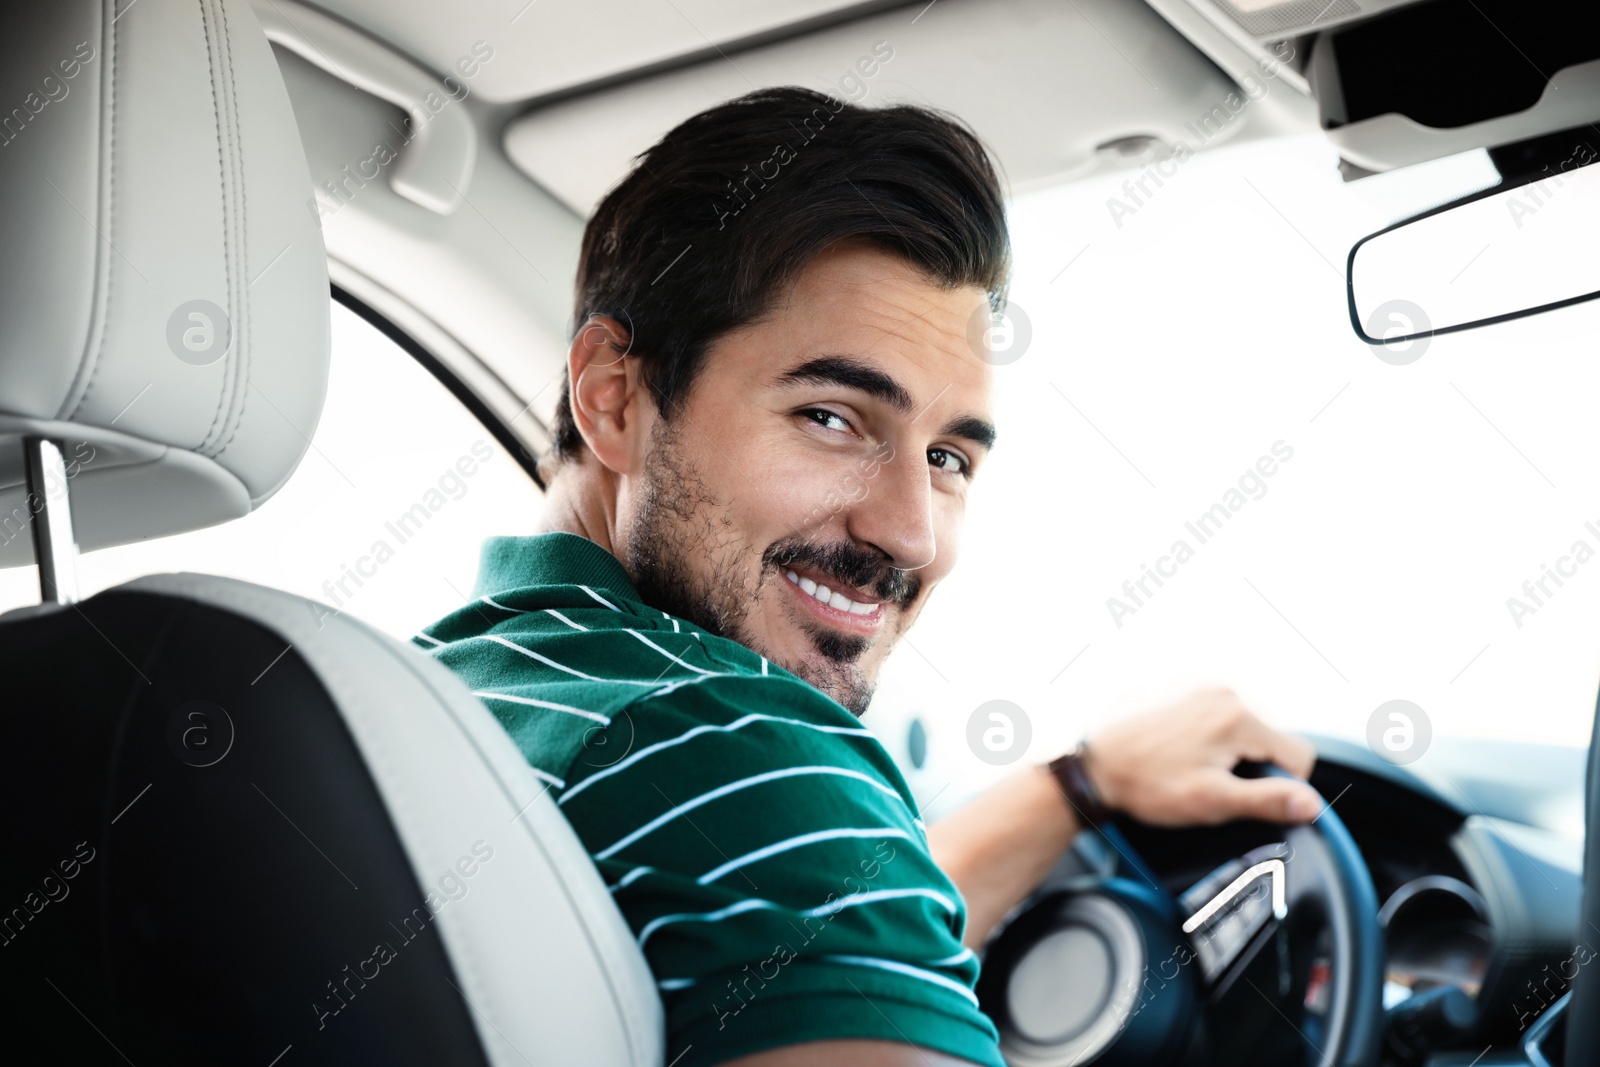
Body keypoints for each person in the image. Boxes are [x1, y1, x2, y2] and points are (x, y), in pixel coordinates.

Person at [416, 85, 1320, 1067]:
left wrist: (1078, 785)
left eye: (947, 458)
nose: (909, 532)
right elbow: (776, 829)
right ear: (614, 396)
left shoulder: (453, 687)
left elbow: (786, 923)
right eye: (832, 417)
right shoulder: (736, 745)